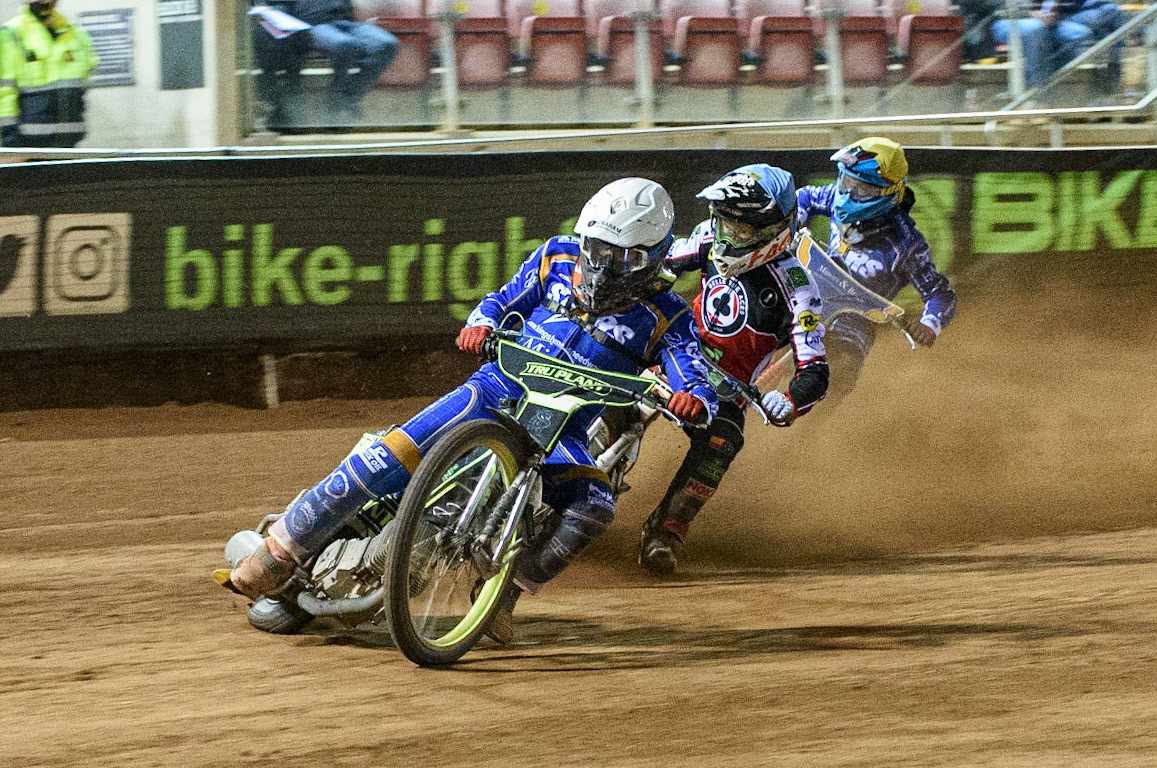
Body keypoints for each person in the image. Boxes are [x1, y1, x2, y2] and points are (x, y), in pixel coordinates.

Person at [218, 178, 718, 644]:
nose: (605, 265)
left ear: (655, 257)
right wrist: (481, 322)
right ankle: (278, 550)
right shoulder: (557, 255)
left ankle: (507, 594)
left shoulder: (668, 316)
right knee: (389, 453)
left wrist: (694, 396)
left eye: (624, 257)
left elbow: (692, 370)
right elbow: (502, 299)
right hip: (495, 388)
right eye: (598, 249)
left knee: (595, 506)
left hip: (564, 428)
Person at [638, 164, 829, 578]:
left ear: (774, 230)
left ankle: (666, 532)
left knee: (723, 441)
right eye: (725, 223)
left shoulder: (798, 288)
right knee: (606, 367)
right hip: (673, 355)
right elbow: (657, 266)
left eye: (742, 230)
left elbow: (815, 369)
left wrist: (789, 402)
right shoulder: (707, 239)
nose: (730, 236)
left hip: (726, 391)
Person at [794, 137, 956, 407]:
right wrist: (795, 221)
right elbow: (805, 197)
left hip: (857, 319)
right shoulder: (835, 197)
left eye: (861, 188)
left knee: (842, 371)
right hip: (809, 294)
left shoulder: (905, 243)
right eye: (846, 181)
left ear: (885, 193)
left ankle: (811, 427)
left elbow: (939, 293)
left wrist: (929, 324)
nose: (848, 192)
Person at [255, 0, 398, 123]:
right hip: (315, 24)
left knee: (386, 44)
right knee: (345, 45)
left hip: (348, 23)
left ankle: (348, 97)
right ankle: (336, 100)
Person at [0, 1, 96, 148]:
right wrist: (11, 142)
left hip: (69, 142)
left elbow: (85, 78)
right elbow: (5, 92)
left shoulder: (76, 34)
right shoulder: (11, 34)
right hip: (29, 147)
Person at [991, 0, 1124, 101]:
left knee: (1080, 34)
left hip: (1050, 20)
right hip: (1009, 20)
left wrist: (1054, 11)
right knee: (1036, 28)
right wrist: (1032, 14)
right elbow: (999, 8)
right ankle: (1039, 97)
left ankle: (1051, 83)